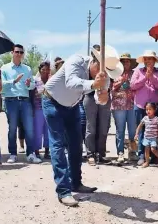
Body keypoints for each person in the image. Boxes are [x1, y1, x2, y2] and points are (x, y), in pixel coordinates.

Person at [42, 45, 121, 207]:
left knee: (76, 145)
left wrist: (104, 95)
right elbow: (71, 83)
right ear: (94, 63)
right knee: (58, 145)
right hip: (52, 102)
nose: (105, 76)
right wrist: (94, 84)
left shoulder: (103, 77)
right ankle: (63, 191)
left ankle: (76, 183)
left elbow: (101, 101)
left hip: (73, 106)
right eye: (103, 70)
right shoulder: (75, 60)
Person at [1, 44, 38, 164]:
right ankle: (13, 154)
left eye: (21, 52)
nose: (19, 54)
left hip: (25, 100)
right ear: (12, 52)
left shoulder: (27, 69)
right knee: (12, 129)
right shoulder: (4, 68)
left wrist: (28, 84)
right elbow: (1, 84)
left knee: (29, 128)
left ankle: (31, 154)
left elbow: (33, 85)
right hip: (11, 101)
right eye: (17, 52)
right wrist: (14, 81)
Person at [131, 50, 158, 166]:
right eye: (146, 59)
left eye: (150, 58)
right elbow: (133, 85)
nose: (147, 61)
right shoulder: (138, 71)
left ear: (154, 60)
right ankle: (142, 155)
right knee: (142, 132)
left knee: (154, 132)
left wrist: (152, 77)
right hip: (140, 106)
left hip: (154, 107)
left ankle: (154, 156)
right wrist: (145, 77)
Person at [111, 53, 138, 163]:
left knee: (132, 130)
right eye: (123, 61)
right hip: (118, 106)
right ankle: (120, 152)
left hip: (132, 105)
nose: (125, 63)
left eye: (127, 61)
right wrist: (121, 81)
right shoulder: (114, 74)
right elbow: (111, 90)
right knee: (120, 130)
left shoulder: (135, 74)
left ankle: (132, 152)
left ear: (130, 63)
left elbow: (137, 86)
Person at [134, 102, 158, 168]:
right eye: (146, 109)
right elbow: (139, 126)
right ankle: (147, 162)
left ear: (154, 110)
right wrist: (136, 134)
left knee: (153, 149)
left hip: (154, 138)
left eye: (150, 109)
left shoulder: (157, 119)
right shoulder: (145, 118)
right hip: (146, 138)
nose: (148, 111)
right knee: (146, 150)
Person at [33, 61, 51, 160]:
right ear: (39, 70)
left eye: (47, 69)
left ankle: (47, 151)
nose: (45, 71)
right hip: (38, 108)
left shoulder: (52, 80)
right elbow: (32, 94)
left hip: (49, 108)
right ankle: (37, 151)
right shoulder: (35, 80)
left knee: (48, 131)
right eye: (43, 69)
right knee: (38, 131)